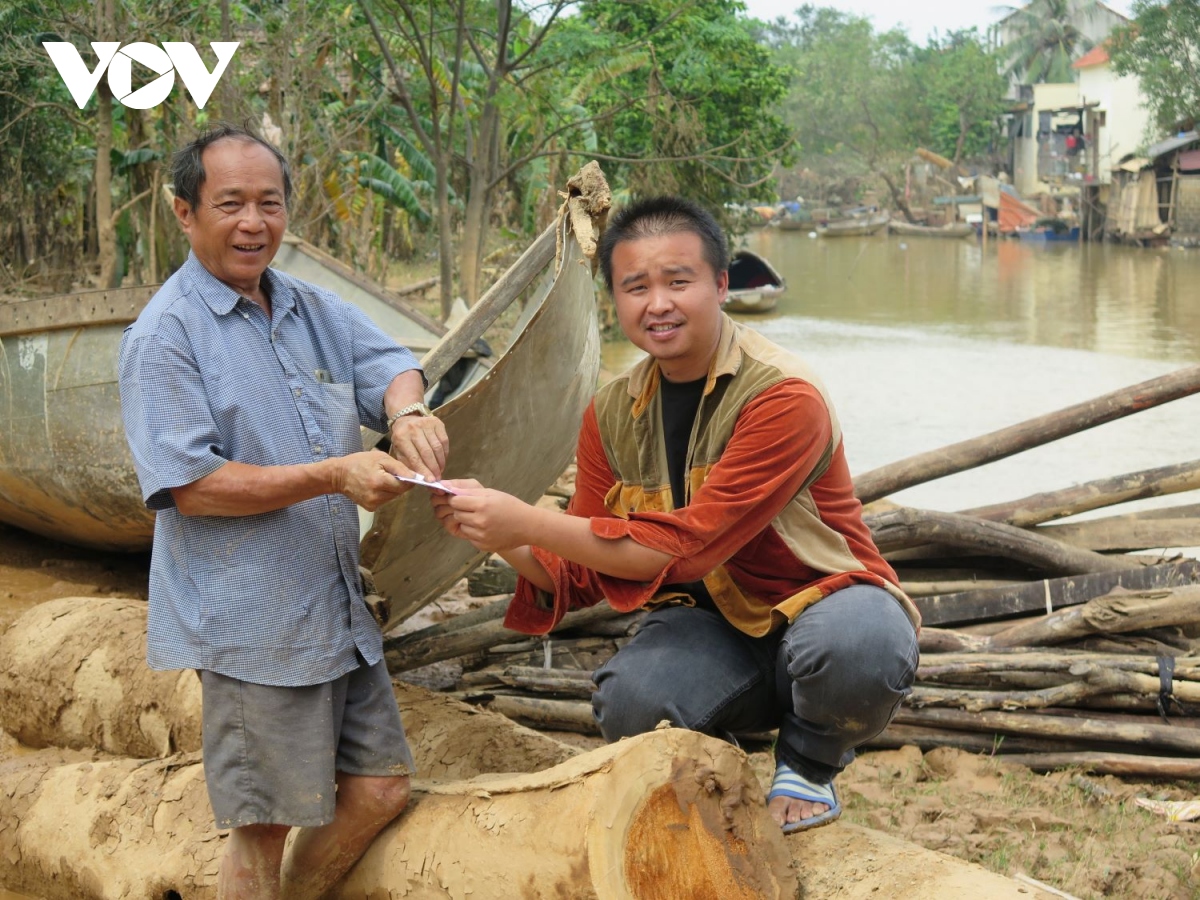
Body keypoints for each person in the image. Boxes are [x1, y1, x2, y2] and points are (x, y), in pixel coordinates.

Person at [431, 196, 920, 834]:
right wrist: (485, 528)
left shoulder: (783, 394)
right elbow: (575, 571)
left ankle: (808, 763)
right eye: (636, 287)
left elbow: (687, 549)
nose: (657, 303)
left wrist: (522, 519)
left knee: (862, 645)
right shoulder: (611, 414)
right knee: (632, 702)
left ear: (721, 285)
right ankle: (728, 765)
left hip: (823, 605)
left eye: (678, 281)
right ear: (616, 301)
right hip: (712, 631)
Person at [118, 125, 449, 899]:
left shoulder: (306, 305)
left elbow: (391, 363)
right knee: (260, 829)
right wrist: (336, 474)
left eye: (269, 203)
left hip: (334, 608)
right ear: (183, 212)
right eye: (229, 203)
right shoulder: (164, 335)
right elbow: (189, 485)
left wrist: (406, 415)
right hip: (250, 625)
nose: (253, 222)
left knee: (377, 788)